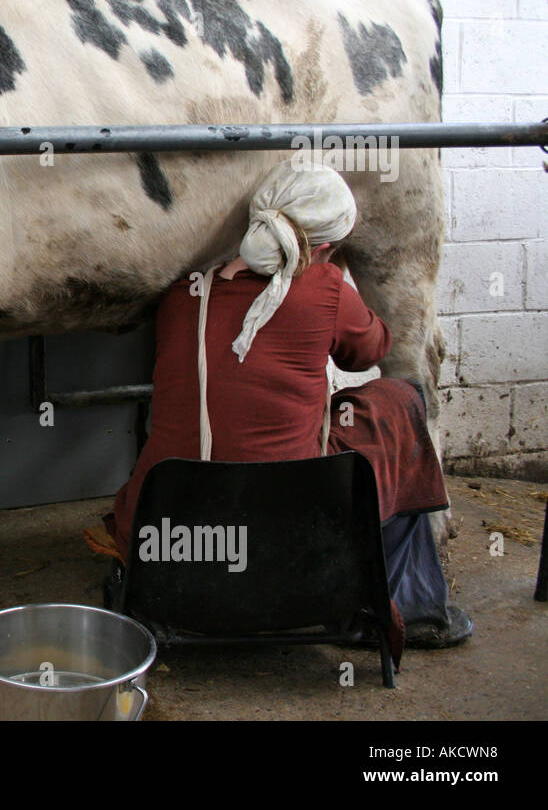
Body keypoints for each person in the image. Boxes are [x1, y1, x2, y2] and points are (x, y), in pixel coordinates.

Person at [85, 159, 473, 650]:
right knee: (397, 401)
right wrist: (331, 287)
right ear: (327, 246)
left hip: (166, 548)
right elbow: (374, 350)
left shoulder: (183, 293)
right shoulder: (326, 286)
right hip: (289, 548)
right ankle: (409, 608)